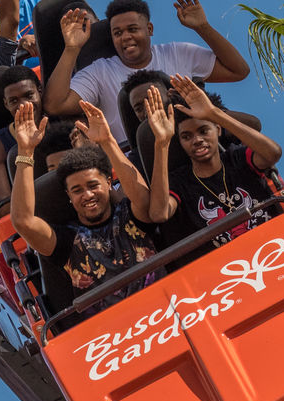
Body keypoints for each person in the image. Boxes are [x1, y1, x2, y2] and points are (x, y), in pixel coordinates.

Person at [9, 101, 169, 304]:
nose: (87, 195)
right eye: (77, 190)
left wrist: (107, 141)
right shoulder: (66, 241)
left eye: (93, 185)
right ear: (68, 195)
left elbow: (142, 198)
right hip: (113, 323)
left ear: (109, 183)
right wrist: (25, 152)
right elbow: (23, 221)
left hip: (167, 304)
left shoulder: (131, 215)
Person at [44, 0, 250, 143]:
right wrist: (72, 49)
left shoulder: (177, 53)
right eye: (118, 33)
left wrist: (202, 27)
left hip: (192, 148)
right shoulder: (99, 72)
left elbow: (238, 70)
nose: (126, 37)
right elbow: (55, 105)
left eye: (133, 29)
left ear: (149, 29)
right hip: (139, 164)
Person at [145, 75, 284, 245]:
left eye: (204, 131)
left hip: (276, 243)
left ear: (218, 129)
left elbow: (273, 153)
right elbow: (159, 214)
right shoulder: (179, 182)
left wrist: (213, 113)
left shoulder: (238, 158)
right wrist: (162, 142)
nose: (197, 140)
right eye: (187, 136)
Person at [0, 65, 42, 205]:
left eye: (29, 96)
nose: (23, 105)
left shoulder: (61, 121)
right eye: (14, 101)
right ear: (6, 104)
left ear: (40, 91)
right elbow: (6, 205)